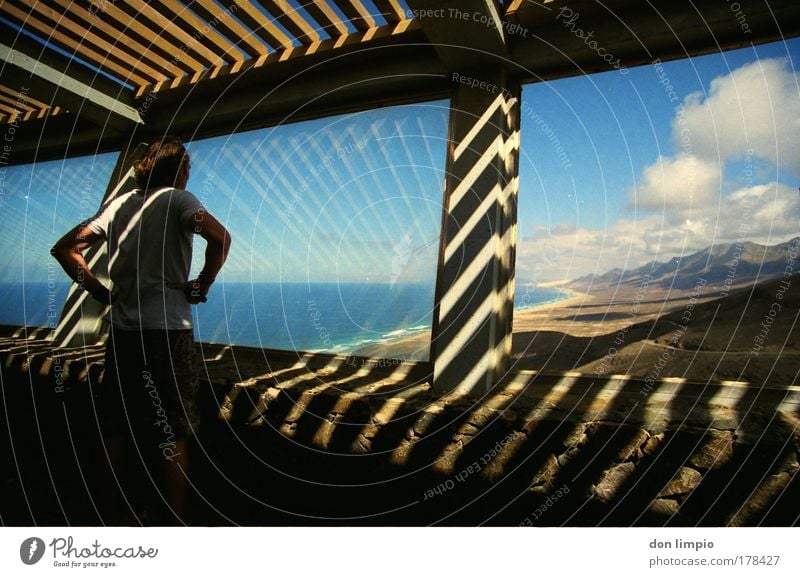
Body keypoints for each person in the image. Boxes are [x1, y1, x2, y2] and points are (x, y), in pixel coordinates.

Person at [51, 136, 231, 525]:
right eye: (188, 168)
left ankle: (109, 517)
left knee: (115, 427)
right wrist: (201, 285)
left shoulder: (118, 206)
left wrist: (100, 292)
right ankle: (172, 522)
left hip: (124, 335)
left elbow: (65, 249)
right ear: (180, 170)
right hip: (168, 333)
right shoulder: (180, 201)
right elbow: (220, 238)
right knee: (172, 430)